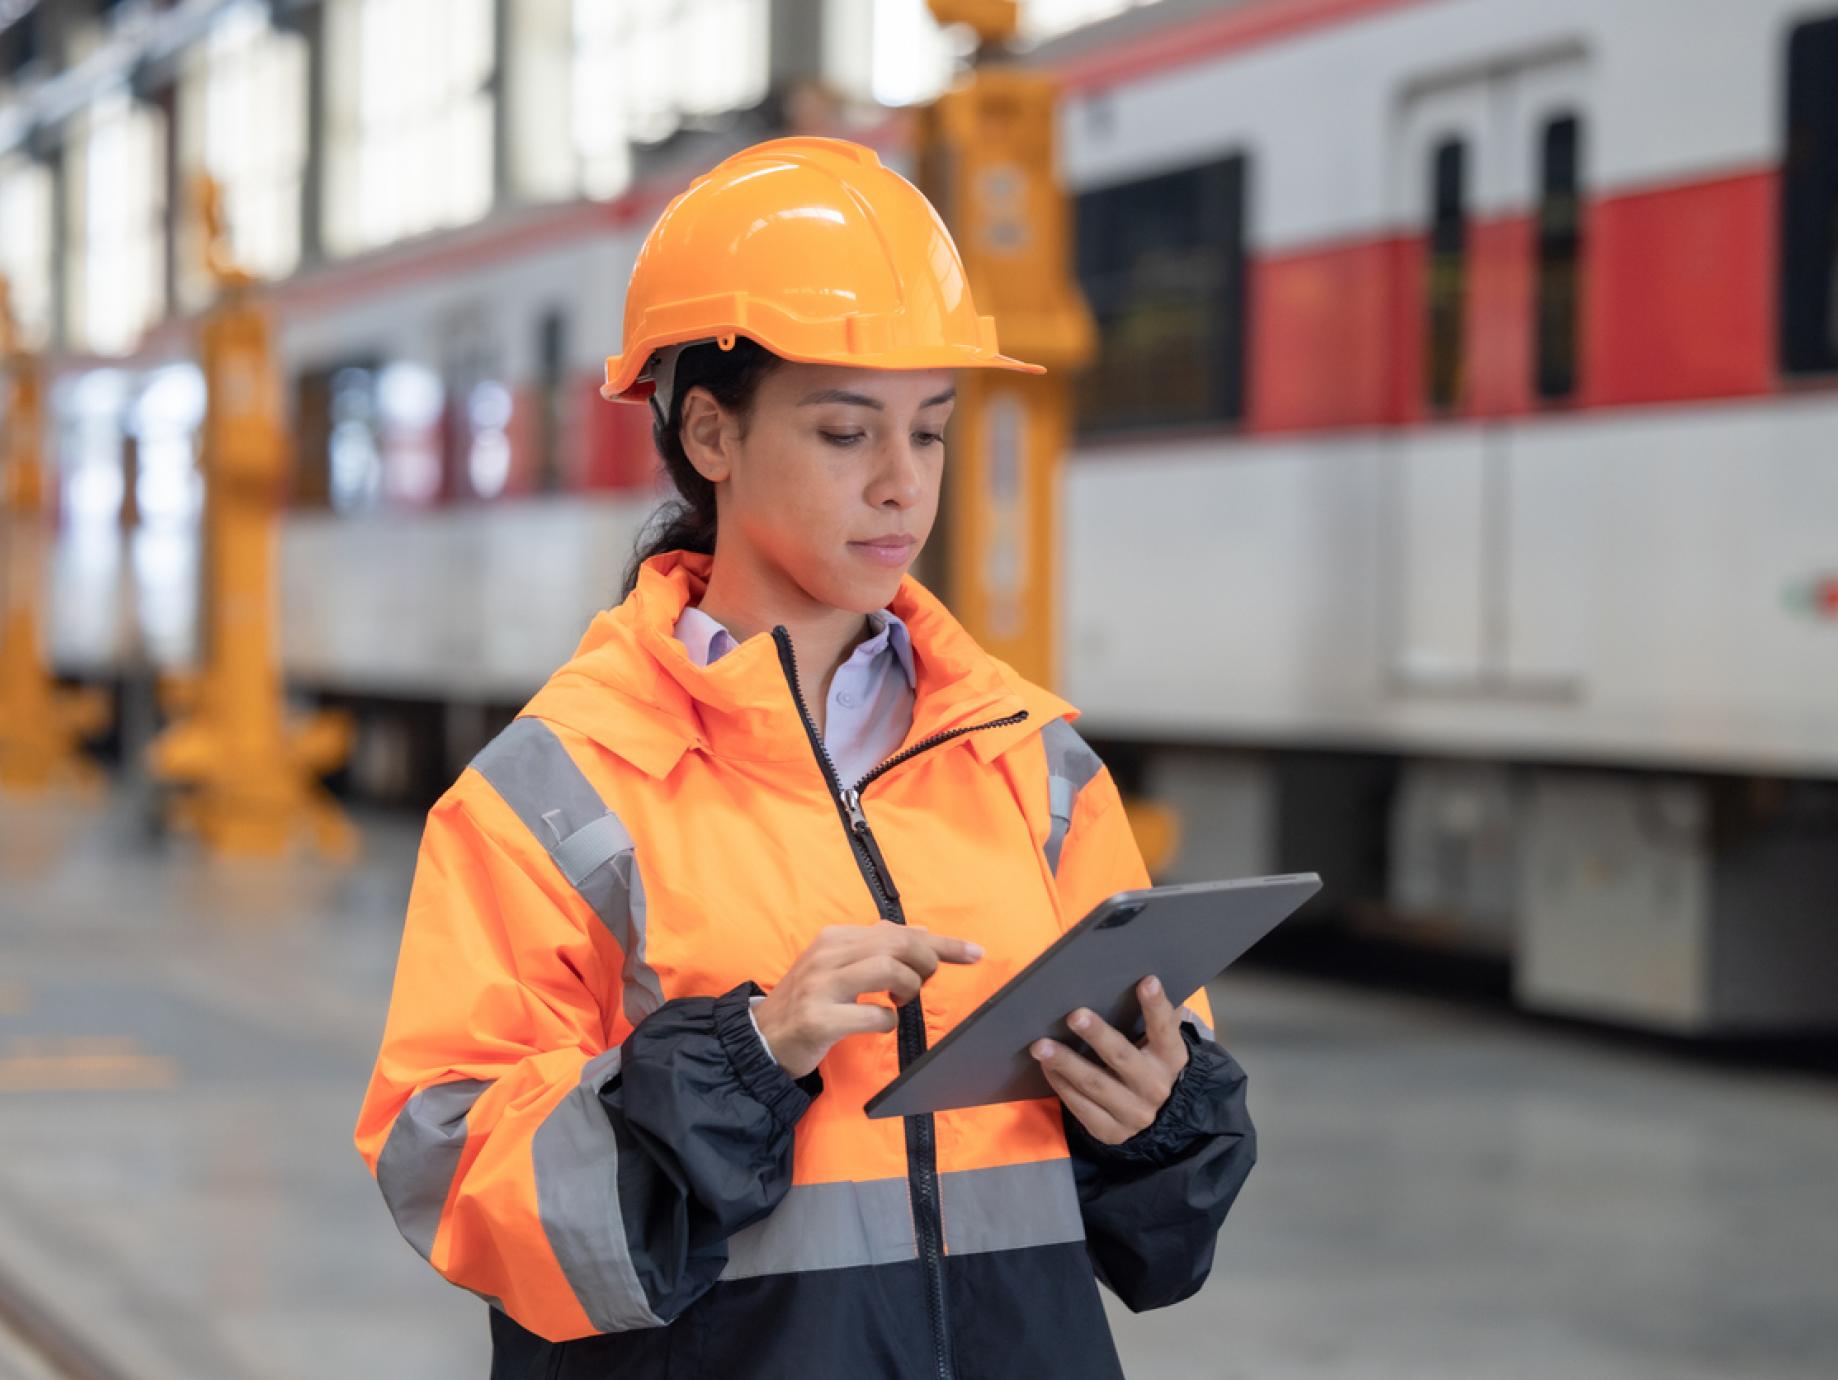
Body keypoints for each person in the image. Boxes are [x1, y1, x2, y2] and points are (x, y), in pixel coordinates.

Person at [356, 136, 1256, 1380]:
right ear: (710, 436)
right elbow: (453, 1176)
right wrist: (744, 1059)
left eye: (929, 434)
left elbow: (1154, 1225)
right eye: (845, 434)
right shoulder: (553, 795)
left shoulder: (1035, 772)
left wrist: (1155, 1125)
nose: (902, 487)